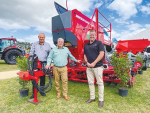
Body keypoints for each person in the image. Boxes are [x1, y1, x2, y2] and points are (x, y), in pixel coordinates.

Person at [84, 30, 105, 107]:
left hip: (98, 67)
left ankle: (101, 100)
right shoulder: (86, 45)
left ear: (95, 35)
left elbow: (101, 53)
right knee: (90, 83)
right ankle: (92, 98)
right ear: (89, 36)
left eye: (93, 35)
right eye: (90, 35)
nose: (92, 36)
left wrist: (94, 62)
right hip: (89, 67)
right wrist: (87, 63)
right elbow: (85, 55)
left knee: (99, 83)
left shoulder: (99, 43)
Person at [29, 33, 51, 99]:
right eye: (40, 37)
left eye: (42, 37)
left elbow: (50, 55)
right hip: (35, 63)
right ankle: (34, 93)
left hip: (44, 63)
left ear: (45, 37)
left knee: (42, 77)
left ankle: (42, 91)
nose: (41, 38)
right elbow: (31, 52)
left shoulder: (48, 45)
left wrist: (48, 63)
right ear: (38, 37)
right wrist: (33, 58)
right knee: (34, 77)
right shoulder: (34, 44)